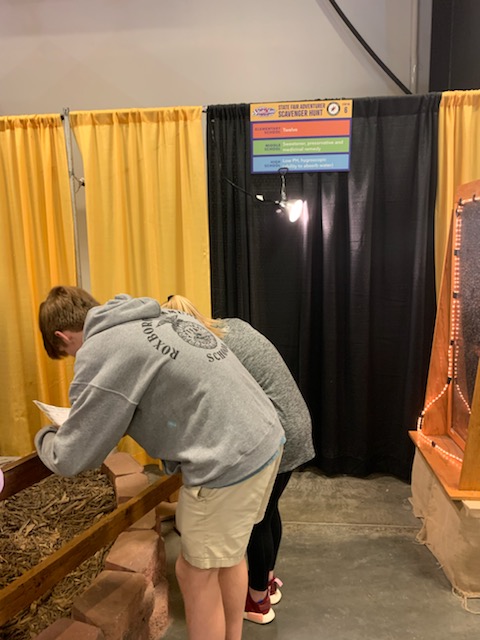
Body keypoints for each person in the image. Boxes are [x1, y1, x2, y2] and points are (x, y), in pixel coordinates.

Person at [35, 286, 285, 640]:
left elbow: (72, 456)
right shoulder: (153, 316)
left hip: (227, 460)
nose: (76, 358)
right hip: (265, 438)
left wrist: (46, 435)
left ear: (63, 337)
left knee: (194, 575)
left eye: (69, 353)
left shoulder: (101, 348)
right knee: (228, 556)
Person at [163, 295, 315, 624]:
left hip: (276, 434)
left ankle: (257, 602)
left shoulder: (209, 352)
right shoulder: (233, 328)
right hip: (296, 423)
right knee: (269, 511)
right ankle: (266, 583)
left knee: (255, 521)